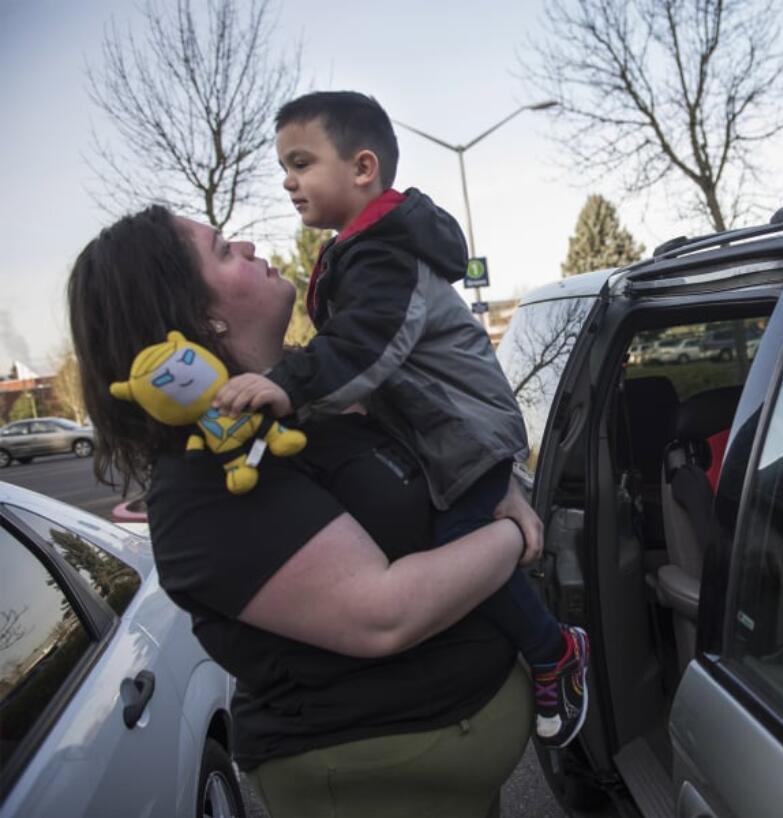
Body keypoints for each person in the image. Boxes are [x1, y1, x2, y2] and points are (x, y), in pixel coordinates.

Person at [68, 205, 542, 817]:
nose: (244, 243)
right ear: (200, 318)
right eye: (219, 250)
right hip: (370, 784)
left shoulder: (317, 398)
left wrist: (492, 484)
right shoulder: (208, 484)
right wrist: (512, 535)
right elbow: (382, 615)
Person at [212, 91, 588, 747]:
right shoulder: (362, 249)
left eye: (301, 162)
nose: (287, 180)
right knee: (454, 541)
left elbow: (364, 349)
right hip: (437, 429)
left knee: (461, 547)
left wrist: (283, 386)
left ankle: (552, 649)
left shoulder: (385, 254)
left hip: (464, 428)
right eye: (283, 165)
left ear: (362, 168)